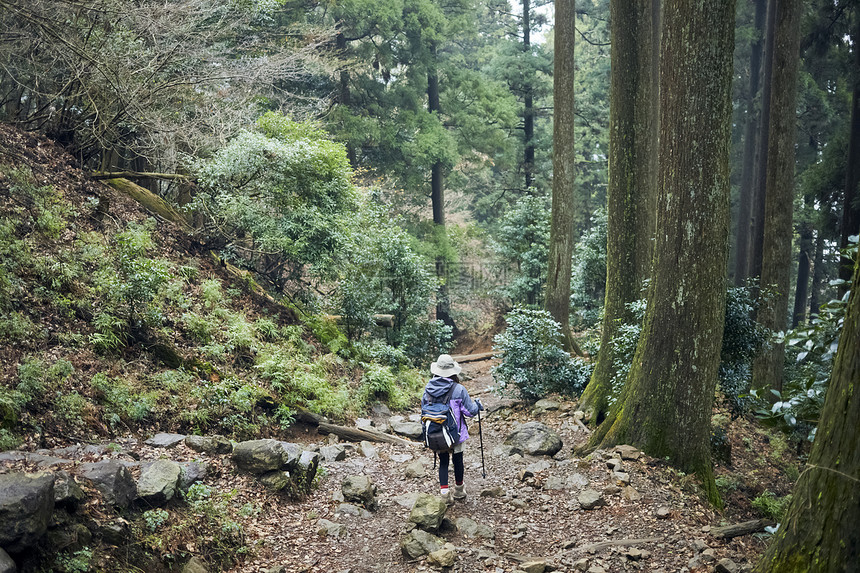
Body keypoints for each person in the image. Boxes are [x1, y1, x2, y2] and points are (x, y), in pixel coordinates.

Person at [422, 354, 483, 501]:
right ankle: (459, 490)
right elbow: (470, 412)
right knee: (458, 460)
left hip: (437, 432)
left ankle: (444, 494)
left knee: (443, 461)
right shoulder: (458, 389)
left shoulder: (428, 389)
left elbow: (424, 410)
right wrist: (478, 405)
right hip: (456, 434)